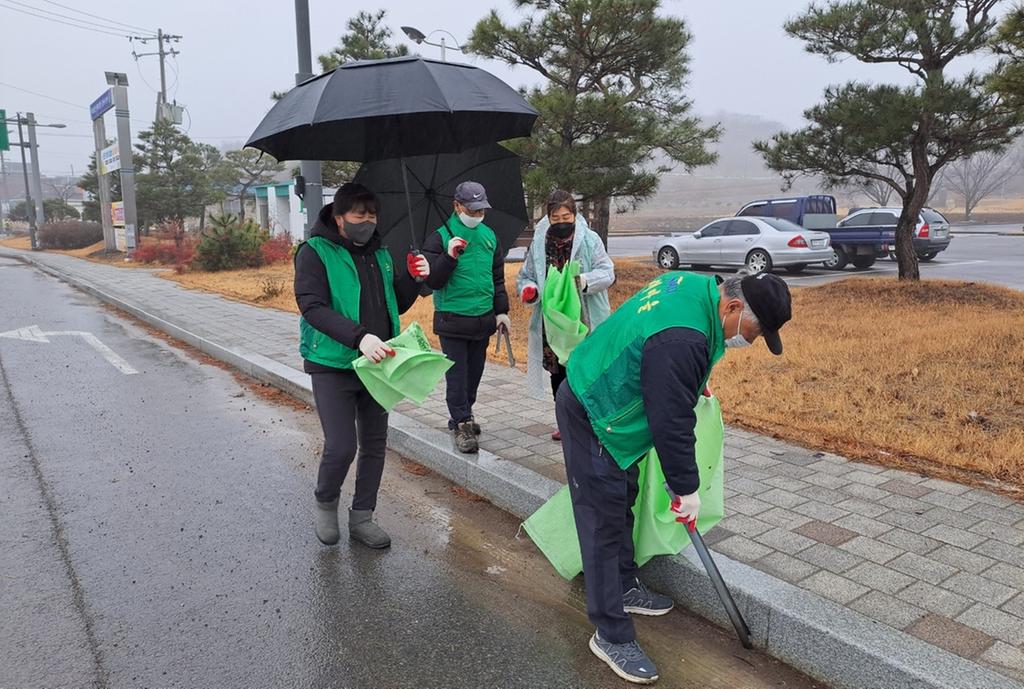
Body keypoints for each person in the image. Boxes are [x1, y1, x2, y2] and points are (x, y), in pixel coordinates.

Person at [555, 269, 792, 684]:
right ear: (734, 306)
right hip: (596, 408)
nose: (749, 342)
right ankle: (610, 633)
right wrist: (686, 489)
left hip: (614, 391)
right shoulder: (683, 340)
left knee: (623, 496)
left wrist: (688, 381)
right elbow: (671, 423)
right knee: (602, 521)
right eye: (752, 333)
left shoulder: (697, 287)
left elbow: (664, 353)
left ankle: (624, 584)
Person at [294, 183, 429, 549]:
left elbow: (392, 303)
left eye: (372, 215)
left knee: (374, 444)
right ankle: (326, 501)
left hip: (378, 364)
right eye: (359, 215)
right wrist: (359, 338)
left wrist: (415, 280)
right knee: (341, 446)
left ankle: (363, 517)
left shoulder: (380, 254)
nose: (367, 222)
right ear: (339, 218)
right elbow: (311, 306)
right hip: (332, 363)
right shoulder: (314, 252)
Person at [516, 190, 614, 440]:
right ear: (548, 217)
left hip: (584, 320)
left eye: (566, 217)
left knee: (587, 371)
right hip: (552, 322)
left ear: (574, 215)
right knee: (558, 372)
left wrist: (584, 281)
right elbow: (526, 275)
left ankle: (592, 423)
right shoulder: (539, 243)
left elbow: (607, 272)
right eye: (556, 218)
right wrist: (529, 290)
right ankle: (566, 422)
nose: (561, 222)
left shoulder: (589, 240)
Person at [422, 181, 511, 454]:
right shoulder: (440, 237)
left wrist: (501, 311)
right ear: (457, 206)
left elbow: (497, 278)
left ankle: (465, 414)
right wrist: (449, 256)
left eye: (481, 210)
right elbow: (432, 281)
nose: (477, 216)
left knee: (474, 374)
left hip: (483, 320)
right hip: (452, 320)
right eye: (472, 211)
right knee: (457, 377)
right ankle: (461, 423)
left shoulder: (489, 236)